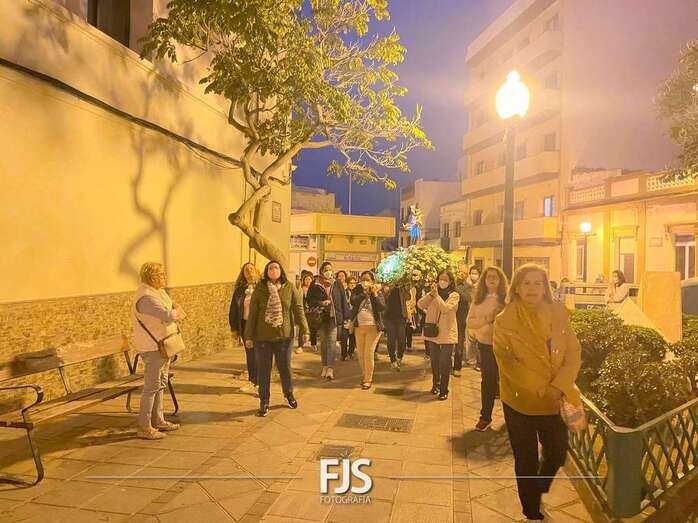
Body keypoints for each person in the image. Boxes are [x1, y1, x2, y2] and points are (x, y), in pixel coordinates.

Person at [493, 264, 582, 521]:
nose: (532, 288)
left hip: (554, 399)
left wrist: (558, 386)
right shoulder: (505, 320)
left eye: (537, 283)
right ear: (517, 288)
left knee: (557, 452)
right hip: (519, 400)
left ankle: (538, 486)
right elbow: (508, 363)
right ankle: (531, 509)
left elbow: (573, 353)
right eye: (527, 283)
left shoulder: (558, 314)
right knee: (526, 458)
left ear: (545, 288)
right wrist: (542, 389)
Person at [245, 261, 309, 417]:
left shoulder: (289, 287)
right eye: (270, 268)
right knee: (263, 370)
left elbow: (298, 309)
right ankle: (264, 402)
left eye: (276, 267)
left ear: (281, 271)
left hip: (284, 337)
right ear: (266, 271)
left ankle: (289, 394)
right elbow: (253, 313)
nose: (273, 270)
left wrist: (305, 329)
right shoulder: (260, 289)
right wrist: (248, 336)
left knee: (285, 368)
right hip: (262, 338)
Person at [132, 262, 182, 440]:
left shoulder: (158, 292)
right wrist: (175, 311)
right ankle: (144, 427)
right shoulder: (146, 297)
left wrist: (174, 310)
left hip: (164, 344)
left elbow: (173, 309)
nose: (164, 277)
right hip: (153, 347)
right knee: (151, 387)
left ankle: (158, 420)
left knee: (161, 383)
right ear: (152, 277)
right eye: (161, 274)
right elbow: (168, 315)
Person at [467, 266, 507, 431]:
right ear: (483, 280)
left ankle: (510, 418)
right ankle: (485, 417)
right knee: (488, 381)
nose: (491, 279)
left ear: (500, 280)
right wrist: (487, 319)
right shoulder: (478, 300)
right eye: (488, 276)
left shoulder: (507, 299)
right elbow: (470, 322)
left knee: (507, 382)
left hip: (506, 346)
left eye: (495, 277)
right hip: (486, 345)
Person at [418, 271, 460, 400]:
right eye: (440, 279)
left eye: (445, 279)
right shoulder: (432, 294)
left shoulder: (454, 295)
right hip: (433, 332)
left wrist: (436, 296)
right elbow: (420, 305)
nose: (442, 282)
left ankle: (444, 389)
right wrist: (431, 295)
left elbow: (445, 309)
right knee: (434, 361)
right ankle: (435, 384)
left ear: (450, 281)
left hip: (447, 333)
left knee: (445, 362)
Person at [307, 261, 350, 380]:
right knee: (324, 343)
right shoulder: (315, 284)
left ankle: (330, 368)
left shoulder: (337, 283)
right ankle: (324, 366)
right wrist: (321, 303)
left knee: (332, 342)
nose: (328, 272)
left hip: (334, 317)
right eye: (326, 269)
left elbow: (343, 300)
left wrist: (346, 317)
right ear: (321, 271)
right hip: (320, 318)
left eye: (330, 269)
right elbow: (309, 301)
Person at [349, 271, 386, 389]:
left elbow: (381, 307)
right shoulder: (357, 290)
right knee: (360, 354)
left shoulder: (378, 291)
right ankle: (365, 374)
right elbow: (353, 301)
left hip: (373, 327)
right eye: (363, 279)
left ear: (372, 281)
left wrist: (374, 294)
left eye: (367, 280)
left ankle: (368, 379)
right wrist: (363, 294)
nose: (365, 282)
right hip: (359, 326)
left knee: (368, 353)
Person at [229, 262, 261, 391]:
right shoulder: (240, 290)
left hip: (259, 325)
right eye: (246, 270)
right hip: (245, 324)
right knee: (250, 353)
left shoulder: (262, 287)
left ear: (256, 271)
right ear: (243, 274)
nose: (249, 271)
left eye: (251, 269)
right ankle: (252, 380)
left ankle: (260, 382)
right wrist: (234, 328)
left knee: (259, 353)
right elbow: (233, 309)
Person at [383, 283, 411, 371]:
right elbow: (384, 297)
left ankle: (399, 356)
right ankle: (393, 360)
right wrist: (391, 287)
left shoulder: (402, 287)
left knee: (402, 340)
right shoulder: (388, 285)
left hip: (401, 317)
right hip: (389, 317)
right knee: (391, 340)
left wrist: (403, 287)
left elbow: (408, 297)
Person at [453, 268, 473, 377]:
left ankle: (457, 367)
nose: (461, 274)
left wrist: (455, 289)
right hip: (449, 318)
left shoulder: (468, 287)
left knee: (459, 345)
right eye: (459, 272)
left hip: (460, 319)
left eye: (463, 273)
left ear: (466, 275)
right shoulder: (451, 284)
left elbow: (467, 298)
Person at [464, 264, 482, 370]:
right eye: (471, 273)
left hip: (479, 315)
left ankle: (479, 361)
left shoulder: (482, 287)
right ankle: (471, 359)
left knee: (479, 339)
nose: (473, 275)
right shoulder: (467, 286)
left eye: (475, 273)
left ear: (479, 275)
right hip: (468, 314)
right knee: (469, 338)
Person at [299, 270, 318, 352]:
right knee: (302, 328)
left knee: (313, 328)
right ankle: (300, 345)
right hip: (303, 311)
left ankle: (313, 344)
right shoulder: (300, 289)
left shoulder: (315, 289)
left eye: (309, 279)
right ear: (303, 281)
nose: (308, 281)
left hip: (312, 311)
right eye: (306, 279)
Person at [345, 276, 358, 359]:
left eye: (354, 283)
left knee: (353, 335)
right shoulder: (344, 292)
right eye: (351, 283)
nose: (352, 285)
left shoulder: (357, 292)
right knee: (345, 335)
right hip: (346, 315)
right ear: (347, 284)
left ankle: (351, 352)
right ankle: (344, 354)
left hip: (355, 315)